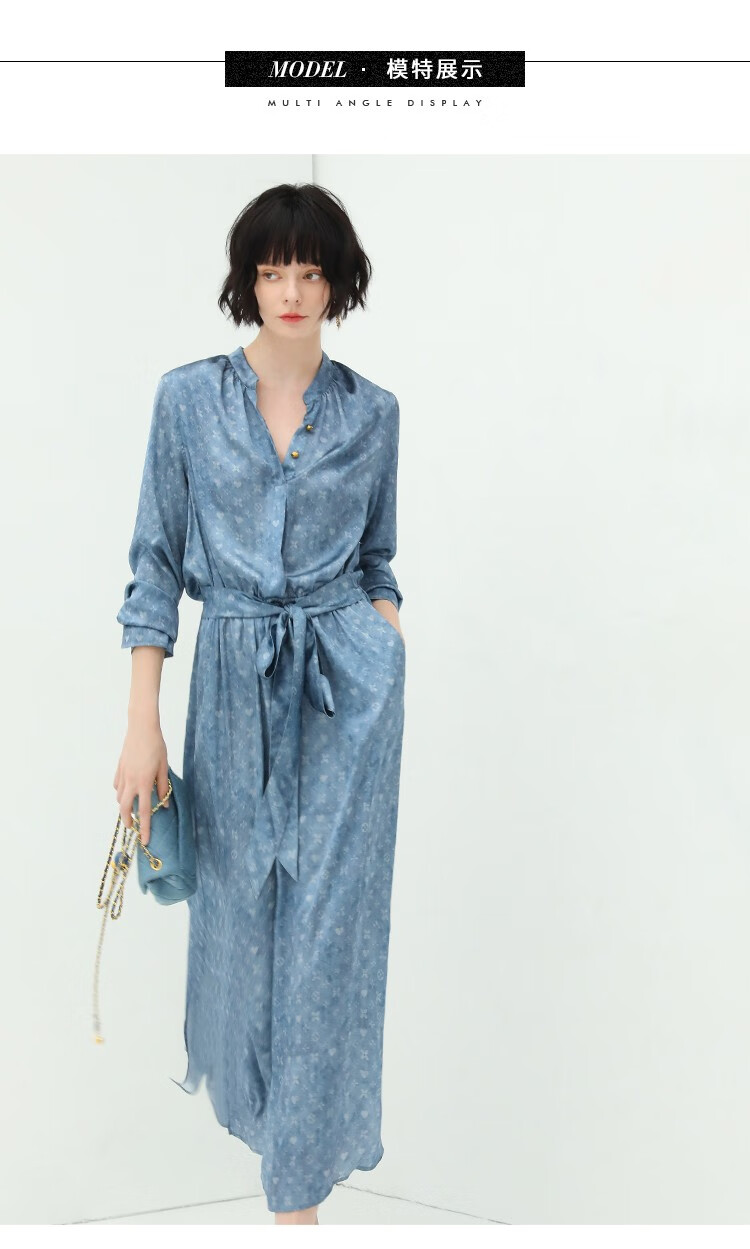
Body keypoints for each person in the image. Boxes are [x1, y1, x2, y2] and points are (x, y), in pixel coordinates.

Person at [113, 182, 407, 1224]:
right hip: (232, 691)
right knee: (241, 927)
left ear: (338, 283)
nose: (291, 290)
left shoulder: (374, 413)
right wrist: (142, 723)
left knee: (328, 937)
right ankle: (285, 1173)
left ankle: (296, 1206)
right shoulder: (188, 400)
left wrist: (384, 633)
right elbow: (155, 565)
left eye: (311, 270)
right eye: (273, 269)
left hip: (346, 702)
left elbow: (379, 559)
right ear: (246, 278)